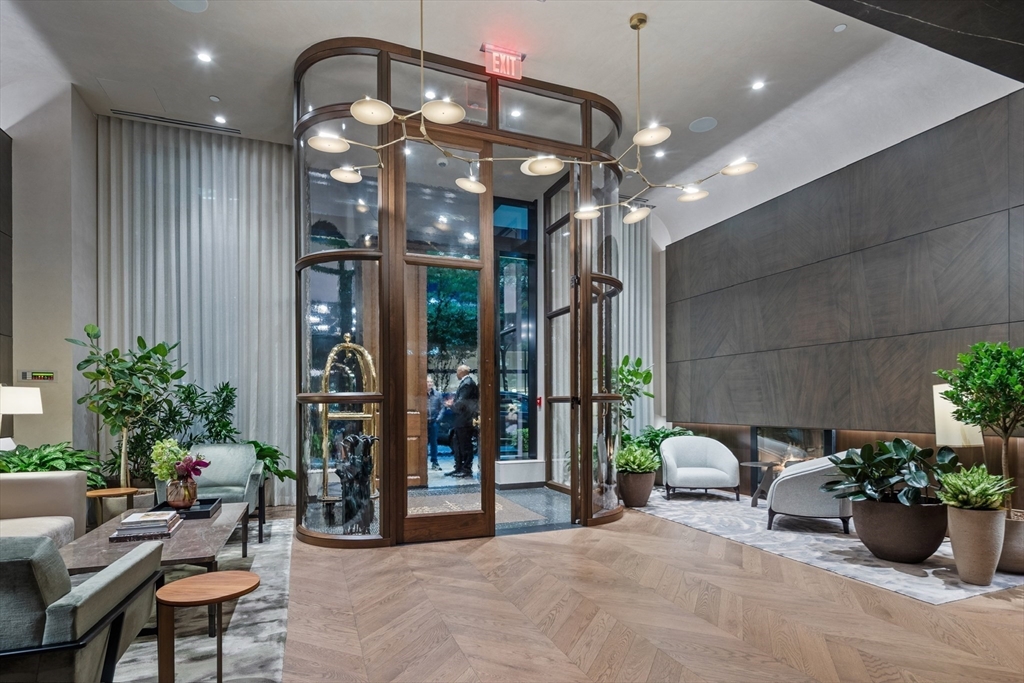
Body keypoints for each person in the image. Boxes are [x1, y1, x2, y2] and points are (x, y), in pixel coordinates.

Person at [446, 364, 479, 478]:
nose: (456, 374)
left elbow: (462, 402)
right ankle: (459, 467)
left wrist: (451, 405)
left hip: (465, 420)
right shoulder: (466, 382)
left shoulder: (467, 383)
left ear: (462, 372)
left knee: (465, 445)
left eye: (457, 371)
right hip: (461, 419)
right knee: (457, 443)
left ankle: (466, 469)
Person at [426, 377, 443, 471]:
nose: (429, 383)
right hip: (423, 423)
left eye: (431, 382)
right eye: (428, 382)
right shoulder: (420, 394)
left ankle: (434, 462)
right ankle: (422, 463)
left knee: (434, 443)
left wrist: (438, 419)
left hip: (434, 422)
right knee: (422, 443)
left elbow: (442, 407)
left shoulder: (437, 394)